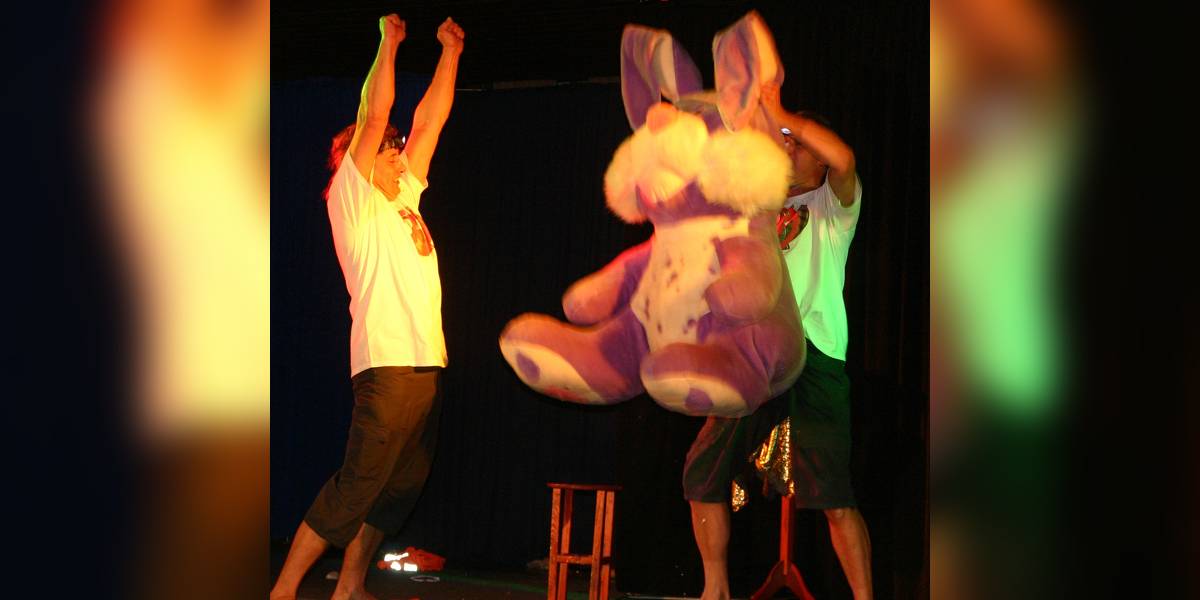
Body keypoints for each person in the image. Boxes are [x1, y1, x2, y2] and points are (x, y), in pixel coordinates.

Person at [270, 14, 464, 600]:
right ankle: (283, 590)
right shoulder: (352, 199)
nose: (400, 153)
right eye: (389, 150)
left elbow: (429, 121)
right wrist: (390, 42)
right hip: (385, 364)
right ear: (355, 159)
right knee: (357, 485)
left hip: (425, 363)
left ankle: (349, 585)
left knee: (399, 488)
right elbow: (373, 116)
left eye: (399, 150)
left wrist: (451, 53)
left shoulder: (405, 196)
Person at [682, 81, 872, 600]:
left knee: (833, 496)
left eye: (797, 144)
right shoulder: (758, 209)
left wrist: (781, 113)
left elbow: (844, 157)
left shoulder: (832, 205)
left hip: (815, 353)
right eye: (783, 142)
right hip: (756, 354)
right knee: (703, 472)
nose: (787, 149)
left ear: (817, 156)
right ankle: (715, 589)